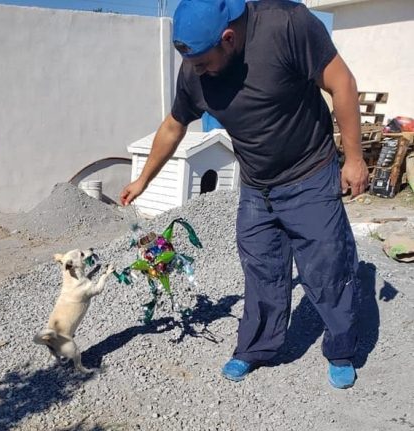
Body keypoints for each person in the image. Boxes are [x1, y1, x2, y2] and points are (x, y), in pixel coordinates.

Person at [120, 0, 368, 390]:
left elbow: (342, 83)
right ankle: (256, 348)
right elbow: (173, 126)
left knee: (327, 269)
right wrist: (144, 180)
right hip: (256, 187)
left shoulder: (287, 25)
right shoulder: (194, 70)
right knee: (262, 271)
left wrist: (354, 159)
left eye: (203, 62)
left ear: (229, 38)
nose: (196, 71)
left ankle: (340, 349)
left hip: (311, 173)